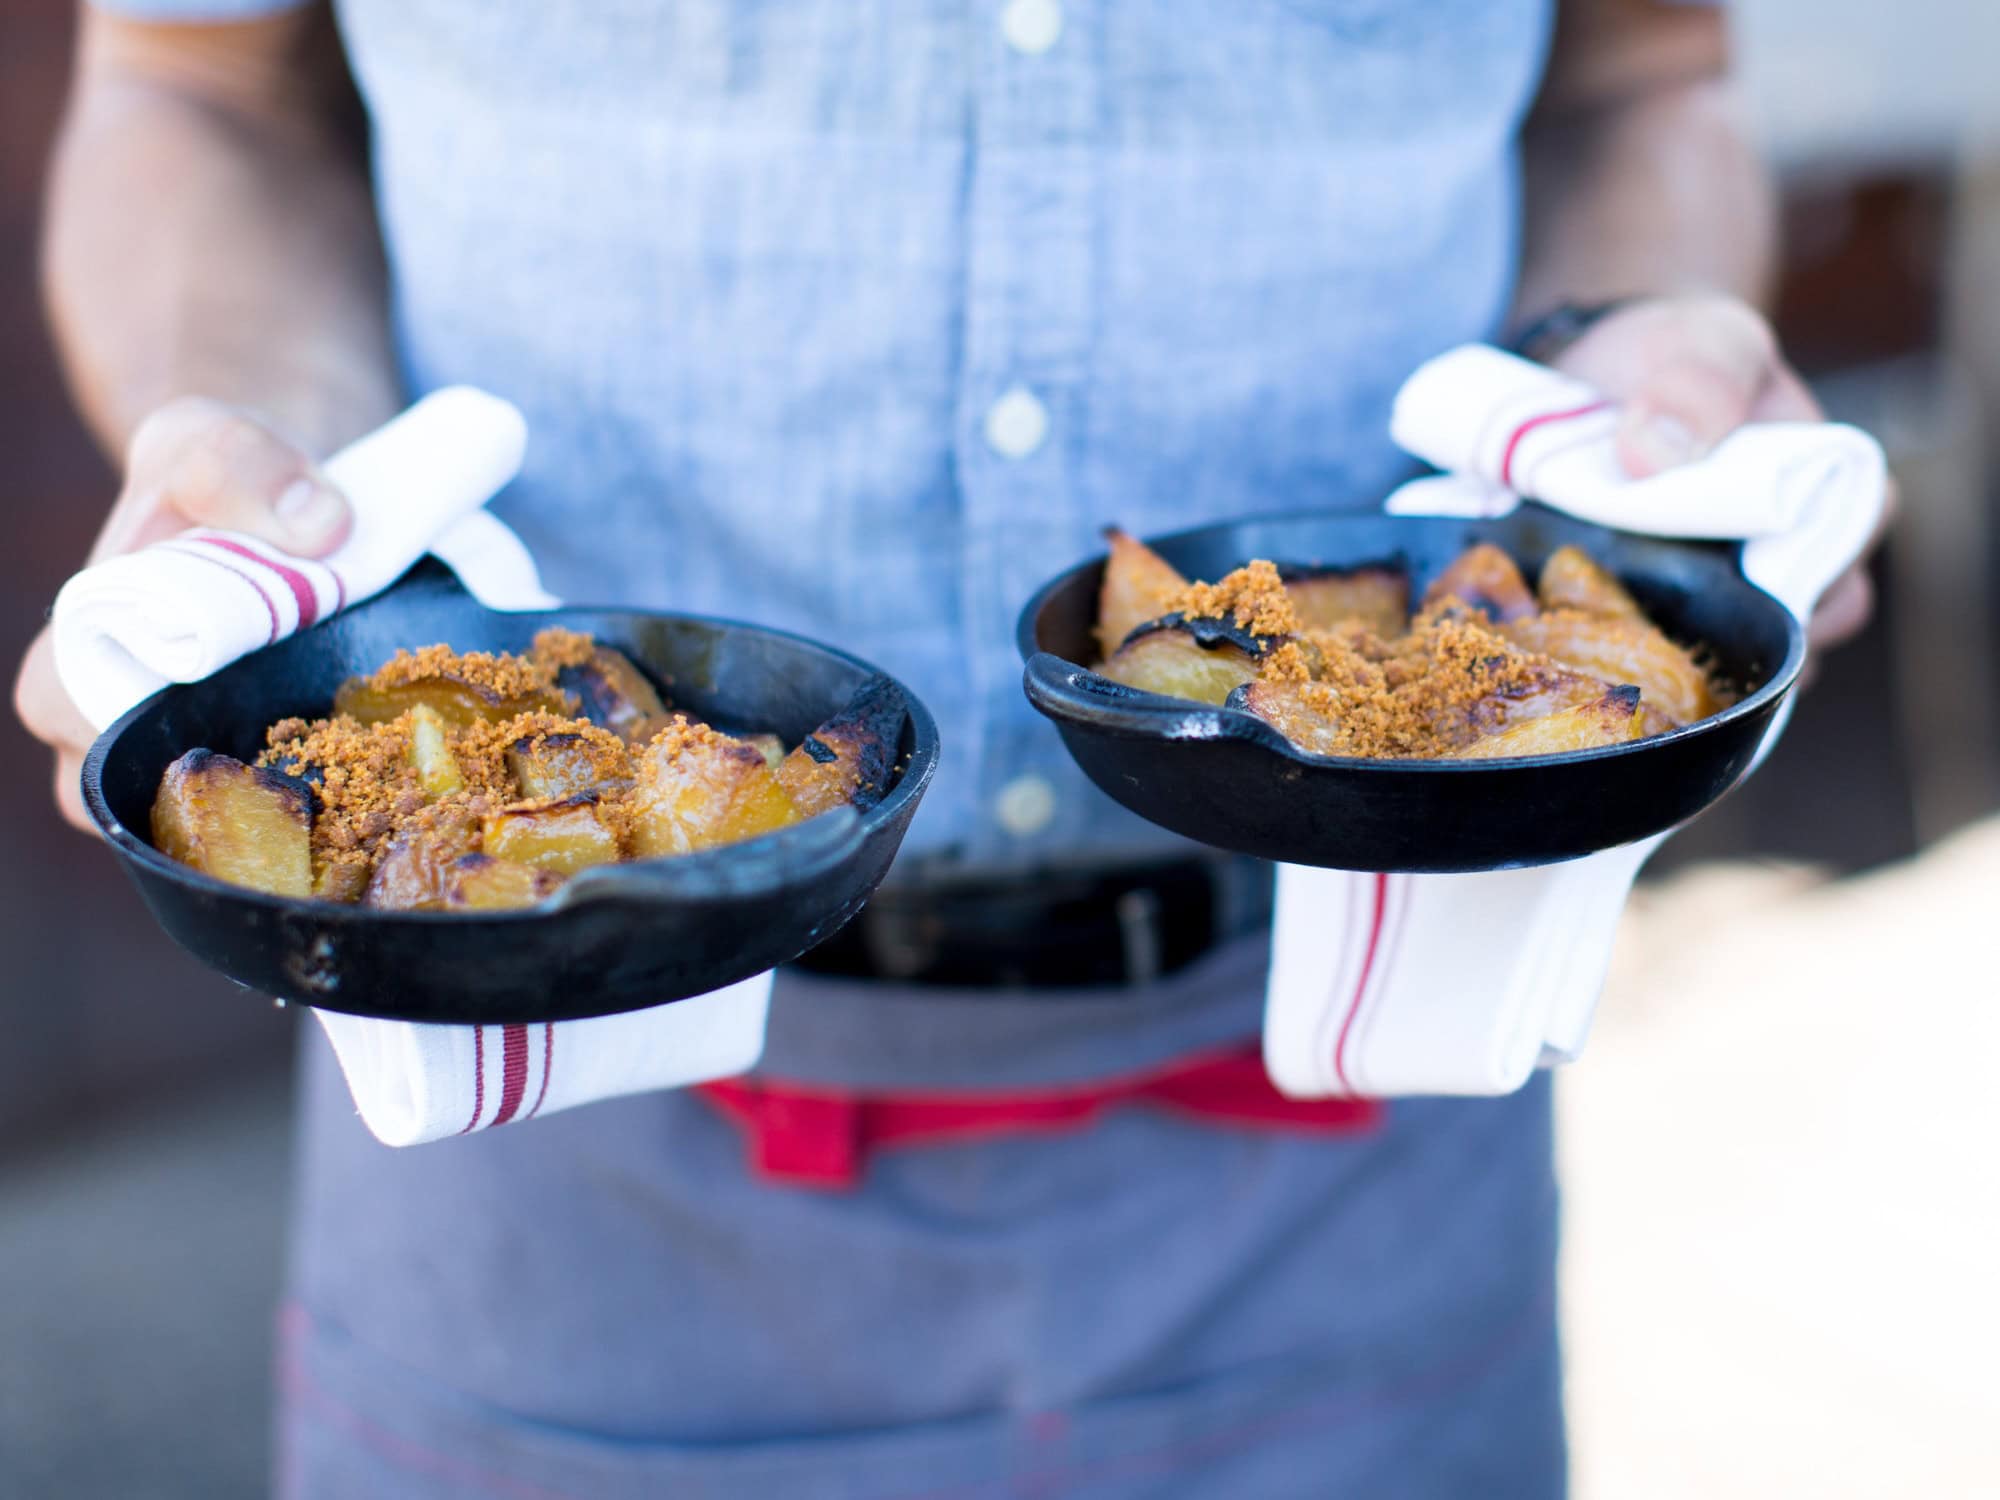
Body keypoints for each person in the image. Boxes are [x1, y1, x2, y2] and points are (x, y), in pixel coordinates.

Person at [14, 2, 1874, 1494]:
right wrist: (253, 480)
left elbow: (1643, 75)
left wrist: (1642, 390)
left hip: (1370, 1118)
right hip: (550, 1124)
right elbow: (199, 83)